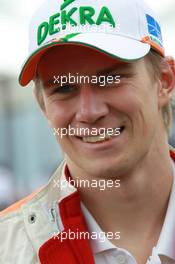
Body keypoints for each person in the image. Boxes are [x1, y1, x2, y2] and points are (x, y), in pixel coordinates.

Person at [0, 0, 175, 263]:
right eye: (64, 88)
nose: (90, 112)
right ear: (43, 106)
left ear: (164, 82)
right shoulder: (8, 248)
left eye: (110, 79)